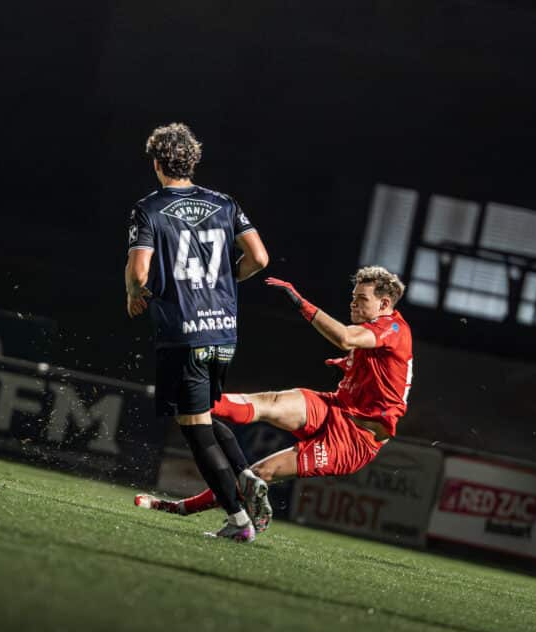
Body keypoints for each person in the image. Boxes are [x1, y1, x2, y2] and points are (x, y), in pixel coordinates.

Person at [135, 266, 413, 533]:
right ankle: (195, 399)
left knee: (260, 473)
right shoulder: (377, 329)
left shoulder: (394, 329)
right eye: (353, 297)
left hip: (354, 440)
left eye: (362, 299)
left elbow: (345, 338)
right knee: (270, 401)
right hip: (336, 407)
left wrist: (301, 303)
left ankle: (183, 508)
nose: (353, 304)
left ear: (385, 303)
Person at [126, 122, 270, 542]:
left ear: (156, 163)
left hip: (185, 332)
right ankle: (243, 474)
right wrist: (221, 282)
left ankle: (239, 522)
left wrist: (135, 293)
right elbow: (259, 257)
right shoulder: (224, 203)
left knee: (193, 427)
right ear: (193, 161)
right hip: (224, 331)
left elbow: (139, 270)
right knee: (203, 413)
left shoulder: (149, 208)